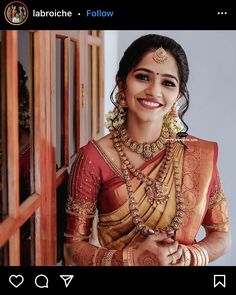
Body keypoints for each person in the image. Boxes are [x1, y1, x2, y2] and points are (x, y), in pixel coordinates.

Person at [64, 34, 231, 266]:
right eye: (143, 77)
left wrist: (189, 256)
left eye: (168, 83)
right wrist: (132, 259)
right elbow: (72, 248)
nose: (154, 91)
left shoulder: (197, 154)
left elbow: (221, 235)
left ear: (178, 96)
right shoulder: (93, 158)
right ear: (122, 84)